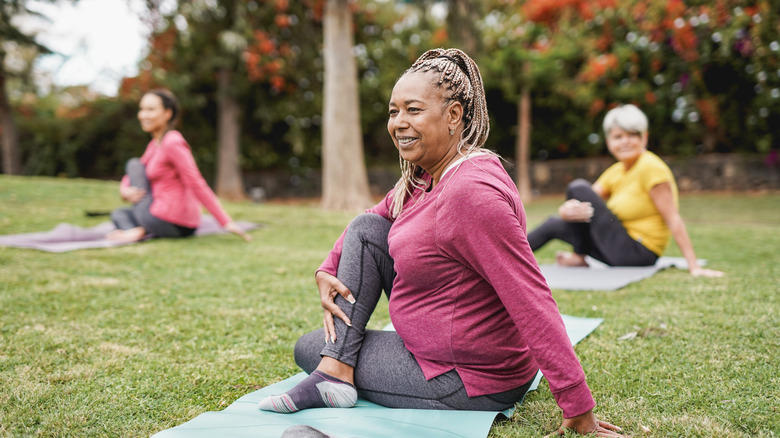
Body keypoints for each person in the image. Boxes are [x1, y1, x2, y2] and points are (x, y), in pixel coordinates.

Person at [258, 49, 626, 437]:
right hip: (439, 352)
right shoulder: (426, 176)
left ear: (453, 116)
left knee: (308, 347)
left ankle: (334, 369)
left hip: (467, 378)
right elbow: (372, 219)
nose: (399, 122)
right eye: (393, 111)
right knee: (367, 231)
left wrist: (578, 405)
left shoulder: (471, 193)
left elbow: (530, 296)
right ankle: (335, 370)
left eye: (413, 110)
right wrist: (326, 268)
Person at [527, 104, 723, 277]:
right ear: (609, 142)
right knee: (554, 223)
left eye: (632, 135)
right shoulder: (617, 171)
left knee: (577, 186)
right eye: (618, 137)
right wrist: (566, 211)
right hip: (616, 247)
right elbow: (585, 200)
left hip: (638, 251)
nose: (625, 142)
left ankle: (579, 256)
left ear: (644, 138)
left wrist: (694, 266)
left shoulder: (651, 167)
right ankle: (504, 262)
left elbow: (673, 217)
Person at [107, 89, 251, 243]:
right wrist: (124, 190)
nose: (143, 115)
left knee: (133, 163)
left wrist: (225, 221)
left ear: (167, 113)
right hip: (161, 217)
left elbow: (196, 182)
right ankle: (139, 230)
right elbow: (132, 175)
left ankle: (139, 230)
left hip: (171, 220)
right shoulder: (154, 145)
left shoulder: (172, 141)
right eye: (142, 109)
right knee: (119, 214)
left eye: (150, 109)